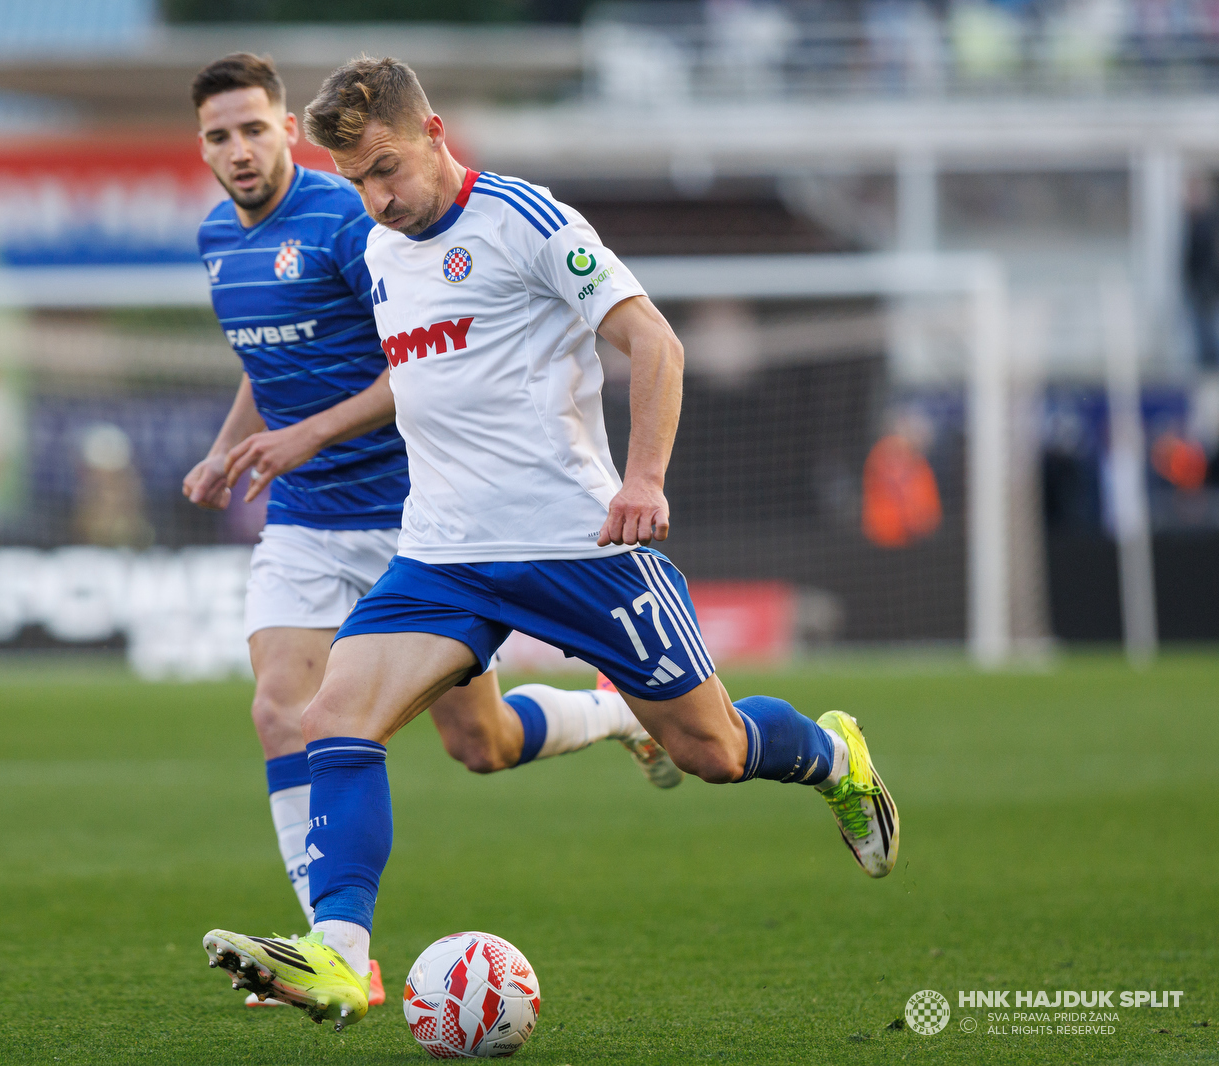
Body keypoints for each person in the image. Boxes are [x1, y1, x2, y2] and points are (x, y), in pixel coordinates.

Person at [203, 56, 899, 1030]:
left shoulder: (527, 222)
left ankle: (833, 755)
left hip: (578, 546)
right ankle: (341, 955)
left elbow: (654, 341)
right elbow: (405, 372)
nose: (375, 196)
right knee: (332, 720)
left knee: (711, 748)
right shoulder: (378, 245)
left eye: (387, 169)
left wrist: (644, 480)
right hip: (442, 553)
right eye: (356, 179)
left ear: (435, 134)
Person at [180, 53, 681, 1006]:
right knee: (284, 706)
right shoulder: (216, 239)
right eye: (219, 135)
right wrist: (229, 446)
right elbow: (265, 359)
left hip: (412, 514)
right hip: (303, 518)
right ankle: (333, 952)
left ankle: (616, 711)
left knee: (478, 744)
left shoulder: (348, 221)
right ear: (200, 146)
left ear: (290, 131)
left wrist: (310, 435)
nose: (239, 151)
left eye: (254, 129)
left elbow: (405, 367)